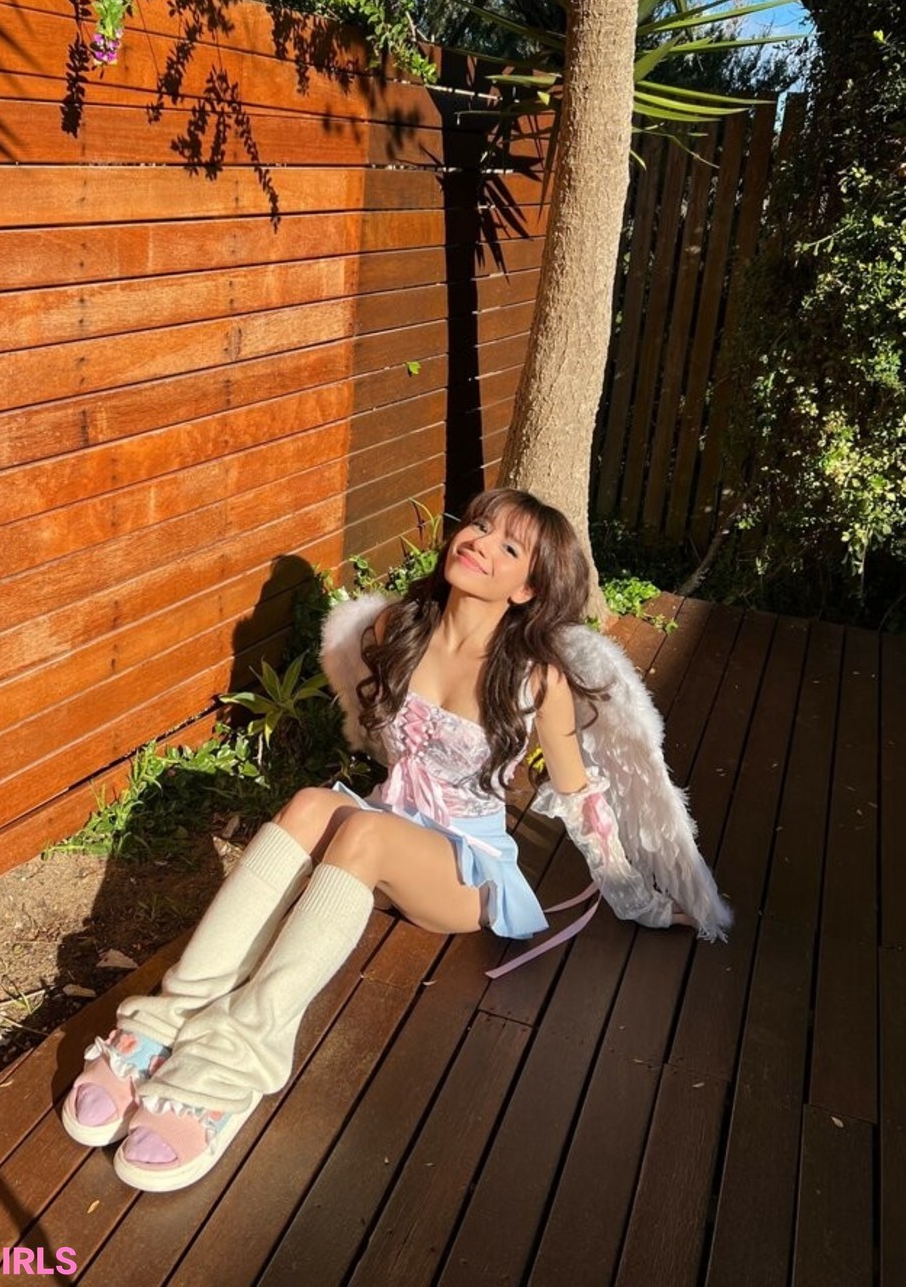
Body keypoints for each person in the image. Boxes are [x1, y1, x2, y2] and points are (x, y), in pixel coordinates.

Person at [60, 488, 730, 1193]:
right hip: (382, 828)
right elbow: (370, 730)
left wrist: (641, 902)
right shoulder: (394, 628)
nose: (479, 543)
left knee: (366, 832)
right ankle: (171, 1015)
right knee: (311, 803)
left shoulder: (536, 678)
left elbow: (582, 798)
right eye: (479, 525)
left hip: (463, 873)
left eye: (507, 547)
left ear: (527, 589)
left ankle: (234, 1063)